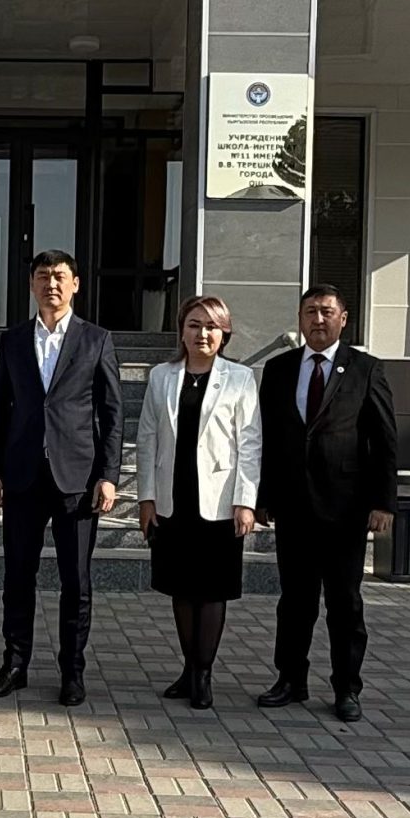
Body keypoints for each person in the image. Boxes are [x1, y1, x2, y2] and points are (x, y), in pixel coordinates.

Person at [0, 249, 123, 707]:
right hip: (21, 477)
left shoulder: (96, 339)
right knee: (17, 577)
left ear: (75, 284)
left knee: (75, 581)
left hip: (76, 480)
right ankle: (15, 664)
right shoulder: (13, 340)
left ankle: (72, 671)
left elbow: (112, 414)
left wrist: (108, 475)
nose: (51, 284)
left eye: (60, 276)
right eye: (43, 276)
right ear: (31, 285)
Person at [256, 283, 397, 723]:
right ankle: (290, 679)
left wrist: (383, 502)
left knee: (344, 604)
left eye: (326, 311)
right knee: (294, 602)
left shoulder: (365, 369)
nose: (318, 319)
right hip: (293, 508)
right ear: (300, 319)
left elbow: (384, 440)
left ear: (343, 318)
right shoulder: (279, 369)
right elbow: (267, 438)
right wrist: (263, 496)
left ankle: (346, 687)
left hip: (346, 509)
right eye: (310, 312)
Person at [136, 296, 261, 710]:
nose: (202, 333)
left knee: (211, 591)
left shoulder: (240, 378)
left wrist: (246, 501)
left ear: (224, 333)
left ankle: (204, 674)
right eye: (194, 325)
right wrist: (146, 497)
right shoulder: (162, 376)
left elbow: (250, 443)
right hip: (173, 500)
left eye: (211, 326)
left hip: (220, 503)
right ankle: (189, 668)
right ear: (182, 330)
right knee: (181, 588)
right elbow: (147, 438)